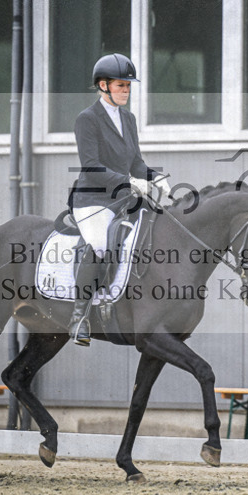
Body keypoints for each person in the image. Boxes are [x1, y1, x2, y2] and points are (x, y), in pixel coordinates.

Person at [68, 53, 171, 346]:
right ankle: (79, 316)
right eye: (120, 85)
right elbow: (91, 166)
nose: (126, 90)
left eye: (128, 86)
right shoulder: (87, 119)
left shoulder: (128, 118)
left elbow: (136, 162)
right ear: (103, 86)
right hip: (92, 200)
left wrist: (154, 177)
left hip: (123, 199)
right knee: (100, 245)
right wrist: (129, 182)